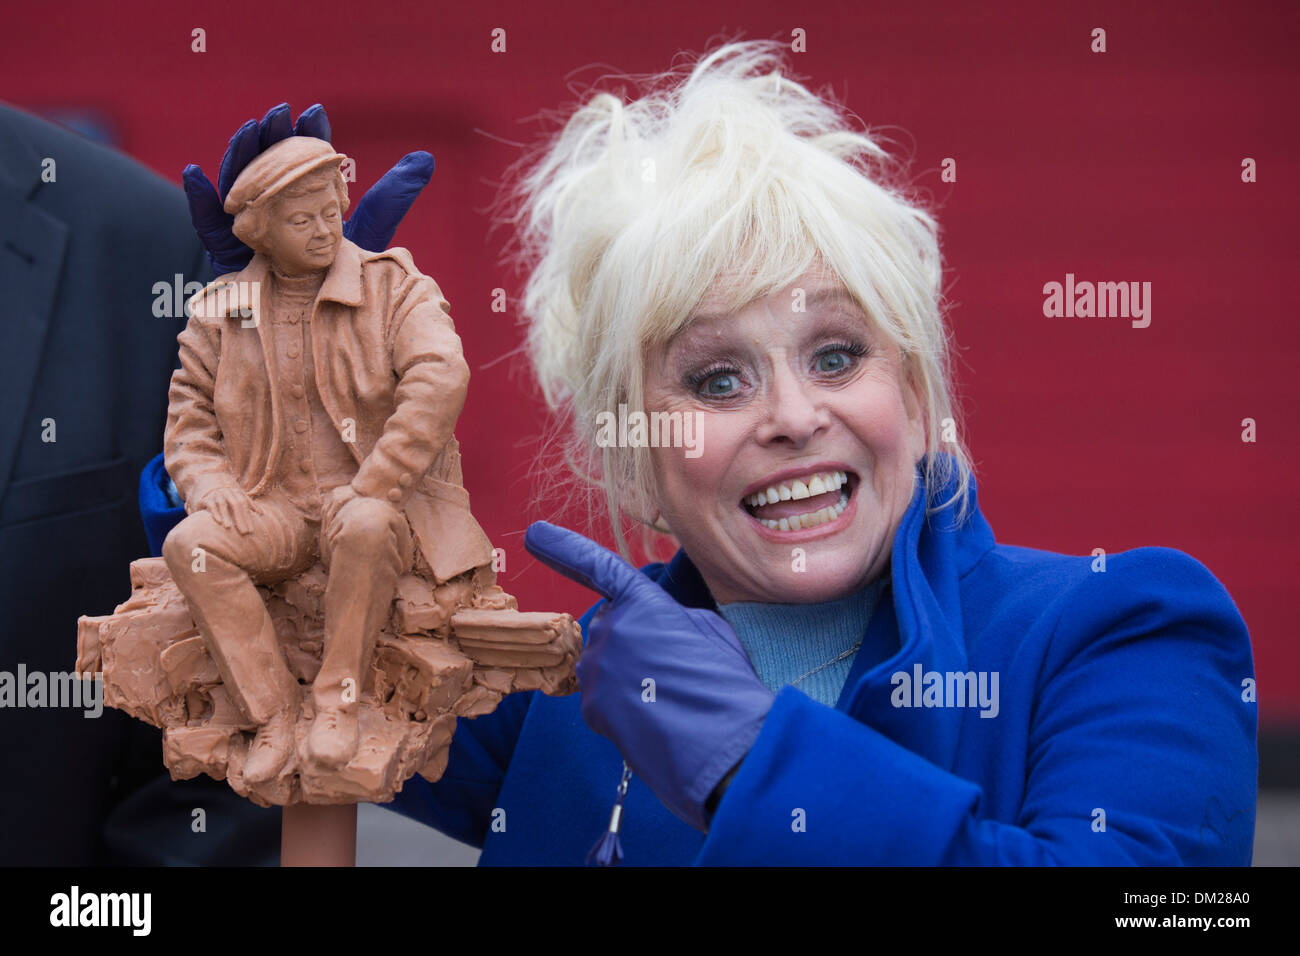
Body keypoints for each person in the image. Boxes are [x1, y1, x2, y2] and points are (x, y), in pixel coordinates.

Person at [162, 134, 483, 786]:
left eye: (330, 214)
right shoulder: (220, 311)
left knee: (365, 528)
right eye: (300, 220)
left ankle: (338, 700)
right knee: (192, 543)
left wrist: (377, 483)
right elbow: (188, 419)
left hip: (369, 502)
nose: (321, 231)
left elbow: (440, 376)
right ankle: (273, 713)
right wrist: (211, 483)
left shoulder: (394, 287)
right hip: (269, 506)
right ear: (259, 230)